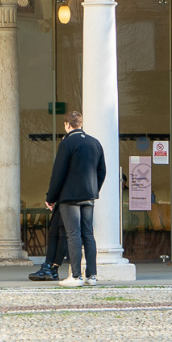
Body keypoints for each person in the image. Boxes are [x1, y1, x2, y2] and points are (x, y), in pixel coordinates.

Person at [44, 110, 106, 287]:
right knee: (88, 234)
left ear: (67, 125)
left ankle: (76, 275)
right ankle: (92, 275)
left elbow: (58, 173)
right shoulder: (95, 143)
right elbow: (102, 171)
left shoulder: (67, 143)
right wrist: (94, 189)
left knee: (73, 234)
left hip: (69, 196)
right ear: (81, 124)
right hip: (89, 196)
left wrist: (51, 197)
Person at [27, 203, 69, 281]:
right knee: (58, 234)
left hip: (66, 201)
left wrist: (50, 198)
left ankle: (51, 267)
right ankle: (51, 268)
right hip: (67, 201)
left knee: (60, 235)